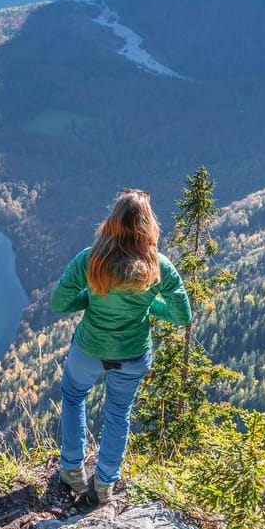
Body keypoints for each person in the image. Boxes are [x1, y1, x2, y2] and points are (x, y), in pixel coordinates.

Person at [50, 188, 191, 503]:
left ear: (112, 221)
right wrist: (149, 306)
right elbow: (183, 315)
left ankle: (72, 469)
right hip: (131, 355)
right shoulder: (158, 266)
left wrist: (88, 297)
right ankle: (104, 483)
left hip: (88, 349)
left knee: (74, 398)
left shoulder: (90, 259)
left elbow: (59, 303)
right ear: (148, 225)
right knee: (118, 413)